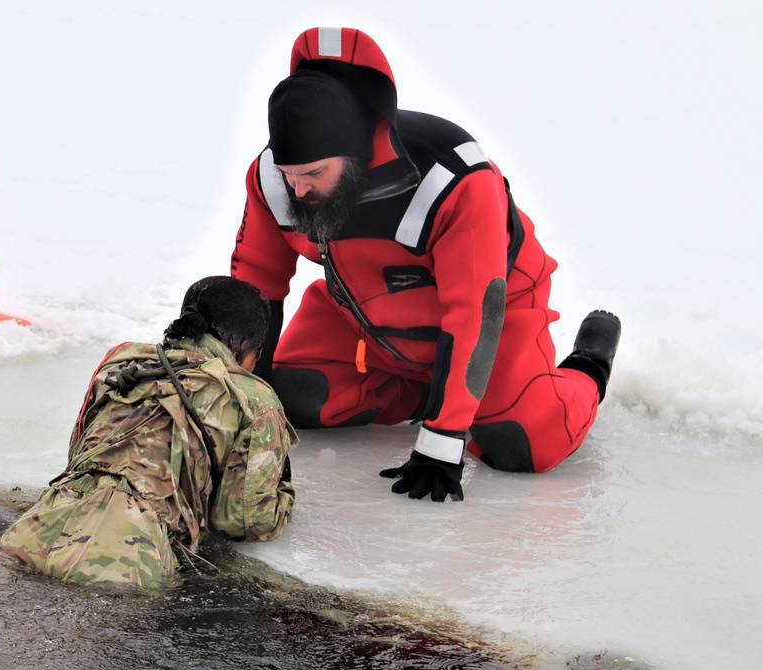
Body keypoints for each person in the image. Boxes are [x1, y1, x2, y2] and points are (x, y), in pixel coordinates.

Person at [229, 27, 621, 502]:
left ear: (355, 154)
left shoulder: (454, 181)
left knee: (518, 444)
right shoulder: (273, 180)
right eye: (290, 174)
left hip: (494, 317)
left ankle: (587, 367)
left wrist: (443, 441)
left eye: (313, 174)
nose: (299, 190)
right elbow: (256, 283)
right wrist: (242, 399)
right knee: (293, 395)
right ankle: (430, 391)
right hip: (363, 317)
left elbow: (474, 312)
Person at [0, 276, 297, 586]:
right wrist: (284, 493)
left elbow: (79, 453)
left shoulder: (121, 360)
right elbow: (244, 520)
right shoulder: (254, 398)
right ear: (246, 346)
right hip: (127, 559)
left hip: (35, 528)